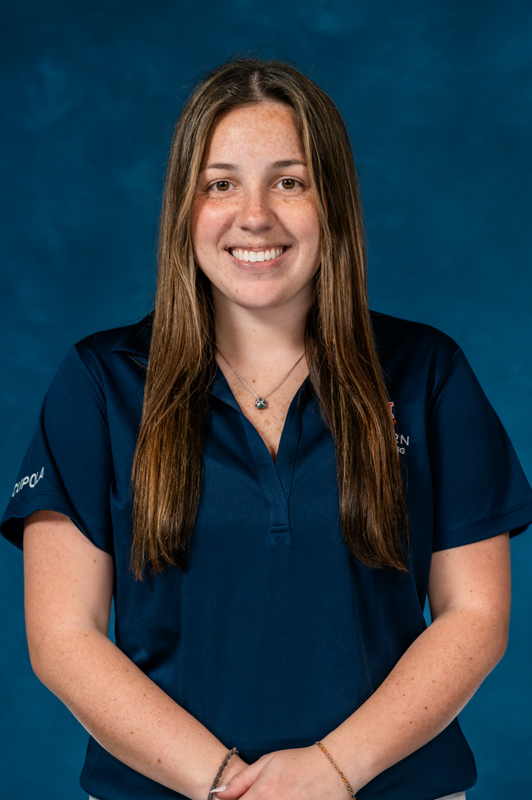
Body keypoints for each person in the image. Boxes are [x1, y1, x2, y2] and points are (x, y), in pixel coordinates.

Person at [2, 57, 532, 800]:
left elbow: (475, 615)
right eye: (220, 185)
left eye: (290, 181)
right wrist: (227, 784)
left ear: (332, 201)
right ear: (184, 208)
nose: (254, 216)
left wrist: (334, 770)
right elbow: (64, 637)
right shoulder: (99, 384)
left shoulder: (427, 373)